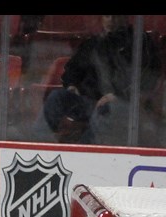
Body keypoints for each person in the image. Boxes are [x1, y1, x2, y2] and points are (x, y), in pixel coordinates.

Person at [30, 15, 162, 145]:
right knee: (57, 97)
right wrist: (72, 84)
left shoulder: (141, 42)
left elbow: (148, 78)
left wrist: (118, 96)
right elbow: (73, 68)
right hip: (90, 102)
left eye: (115, 16)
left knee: (105, 109)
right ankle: (36, 144)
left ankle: (84, 151)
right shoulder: (94, 43)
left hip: (121, 106)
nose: (111, 20)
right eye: (107, 16)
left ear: (125, 18)